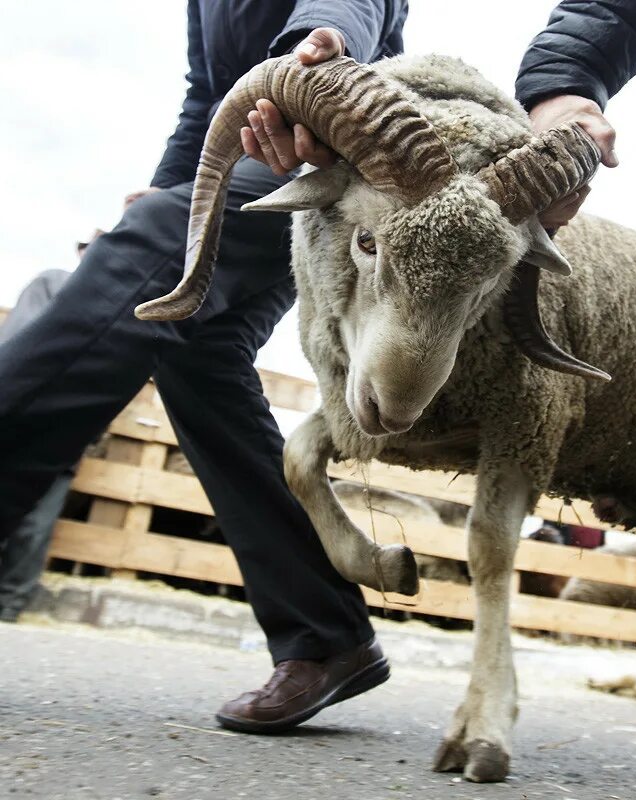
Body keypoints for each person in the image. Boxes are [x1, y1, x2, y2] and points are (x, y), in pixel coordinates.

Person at [0, 2, 411, 733]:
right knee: (199, 359)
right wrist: (165, 191)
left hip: (328, 162)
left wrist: (315, 45)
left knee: (144, 266)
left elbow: (350, 6)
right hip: (245, 152)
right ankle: (326, 637)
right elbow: (206, 94)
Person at [0, 268, 73, 622]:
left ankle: (11, 603)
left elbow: (18, 340)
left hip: (29, 404)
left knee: (27, 507)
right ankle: (11, 605)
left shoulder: (56, 283)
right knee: (37, 515)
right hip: (69, 416)